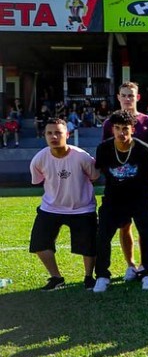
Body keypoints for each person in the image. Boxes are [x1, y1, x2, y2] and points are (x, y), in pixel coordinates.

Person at [29, 118, 100, 291]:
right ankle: (56, 278)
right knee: (39, 243)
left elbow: (94, 176)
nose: (54, 136)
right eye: (49, 133)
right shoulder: (39, 159)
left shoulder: (82, 157)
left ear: (67, 134)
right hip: (51, 207)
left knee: (89, 246)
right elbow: (38, 179)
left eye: (58, 132)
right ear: (44, 135)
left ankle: (89, 277)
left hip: (82, 208)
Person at [93, 110, 148, 292]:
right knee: (103, 235)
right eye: (117, 128)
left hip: (139, 198)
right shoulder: (104, 149)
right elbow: (103, 171)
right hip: (113, 198)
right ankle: (103, 275)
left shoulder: (143, 149)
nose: (122, 132)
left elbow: (147, 176)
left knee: (147, 233)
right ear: (112, 129)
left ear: (133, 129)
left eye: (125, 128)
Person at [102, 82, 148, 281]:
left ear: (138, 97)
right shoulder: (111, 122)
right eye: (124, 95)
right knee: (124, 226)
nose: (128, 99)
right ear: (118, 97)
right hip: (118, 188)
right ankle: (131, 265)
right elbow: (106, 150)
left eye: (131, 95)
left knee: (144, 227)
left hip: (141, 187)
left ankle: (146, 265)